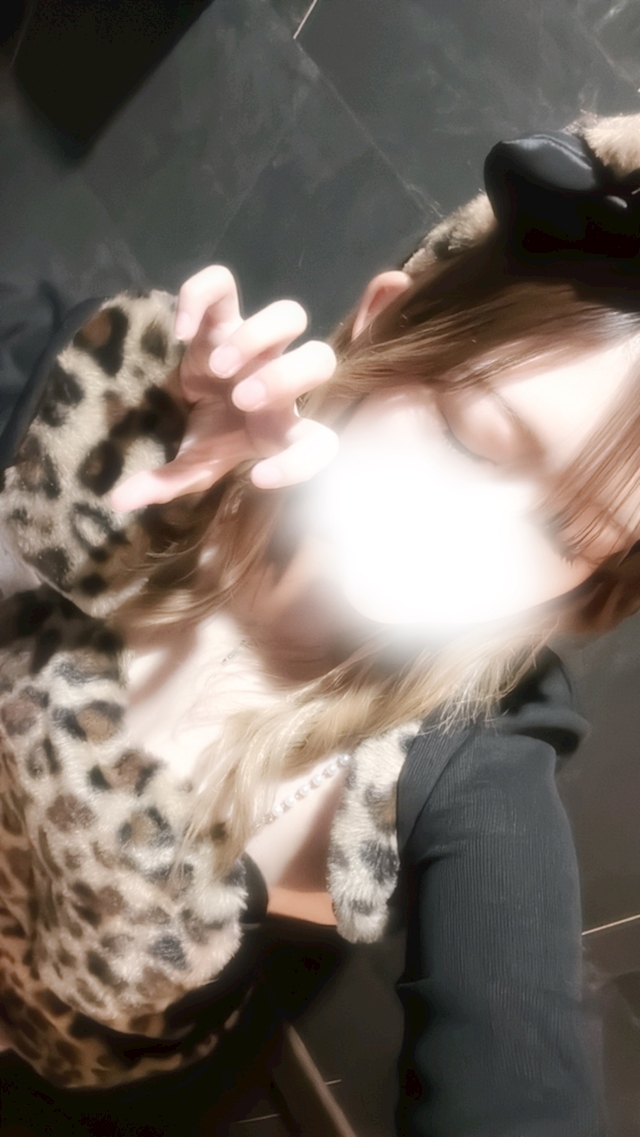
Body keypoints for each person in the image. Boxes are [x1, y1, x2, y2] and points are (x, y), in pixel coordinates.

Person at [2, 110, 640, 1136]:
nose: (471, 545)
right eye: (471, 442)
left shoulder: (472, 763)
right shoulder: (113, 393)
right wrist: (119, 461)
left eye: (572, 533)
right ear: (386, 323)